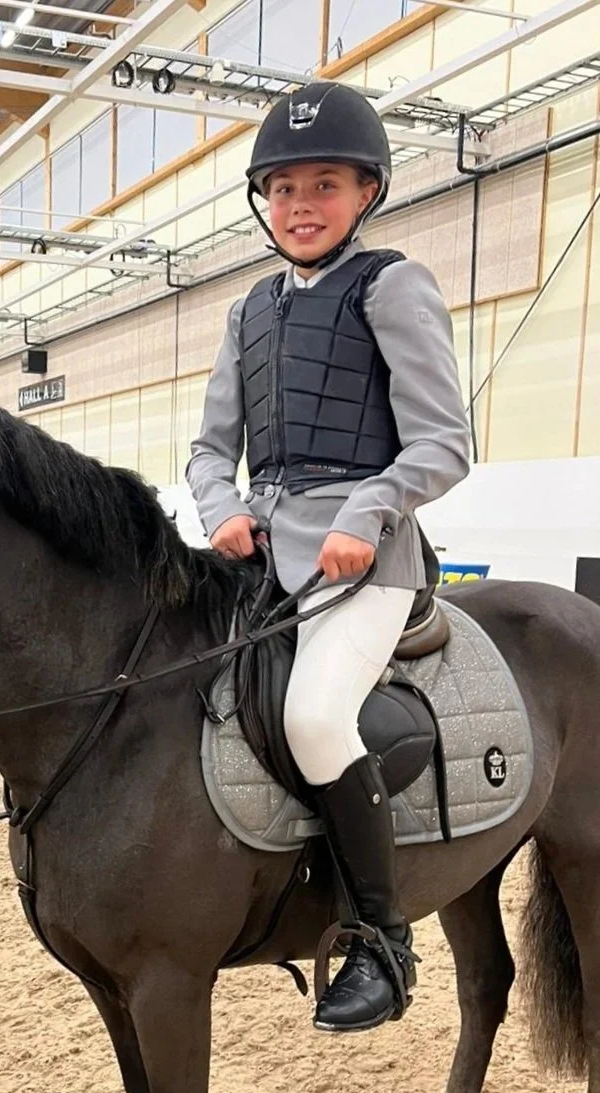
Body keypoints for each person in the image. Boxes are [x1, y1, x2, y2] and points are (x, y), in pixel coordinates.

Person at [187, 82, 470, 1034]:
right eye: (283, 188)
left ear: (366, 193)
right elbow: (206, 448)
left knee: (313, 714)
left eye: (325, 185)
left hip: (364, 558)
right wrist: (221, 506)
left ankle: (384, 941)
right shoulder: (248, 312)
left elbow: (444, 440)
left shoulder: (393, 285)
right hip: (261, 559)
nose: (301, 205)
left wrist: (369, 510)